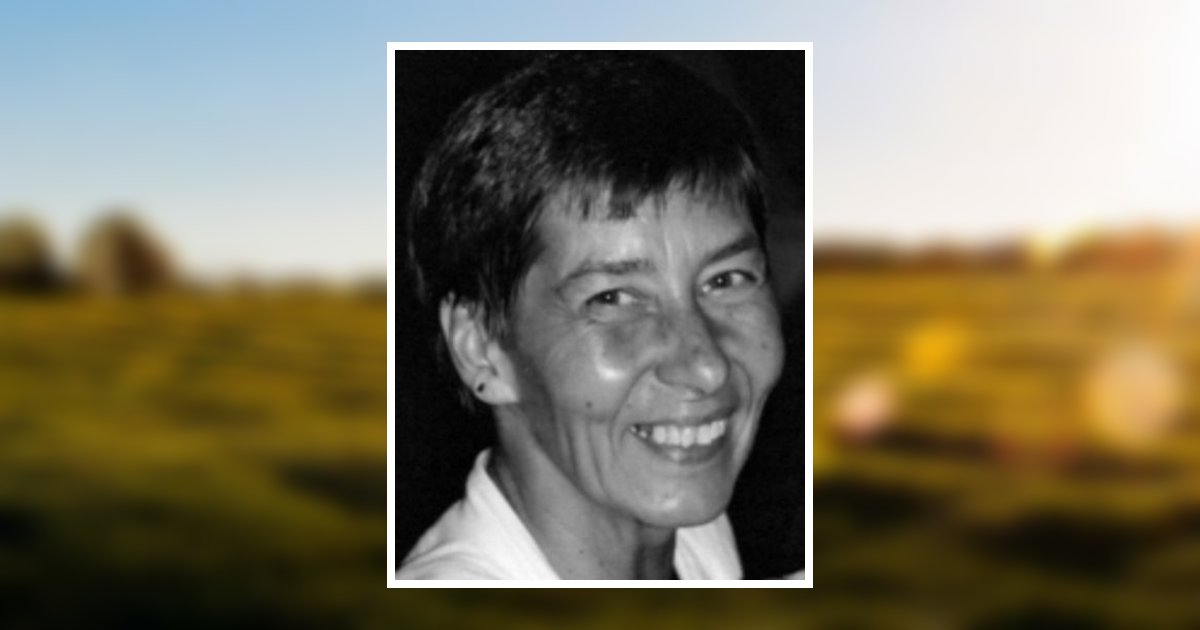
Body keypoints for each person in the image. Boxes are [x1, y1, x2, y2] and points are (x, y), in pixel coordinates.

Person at [397, 52, 785, 580]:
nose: (706, 367)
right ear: (482, 349)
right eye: (613, 298)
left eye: (725, 280)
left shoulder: (687, 518)